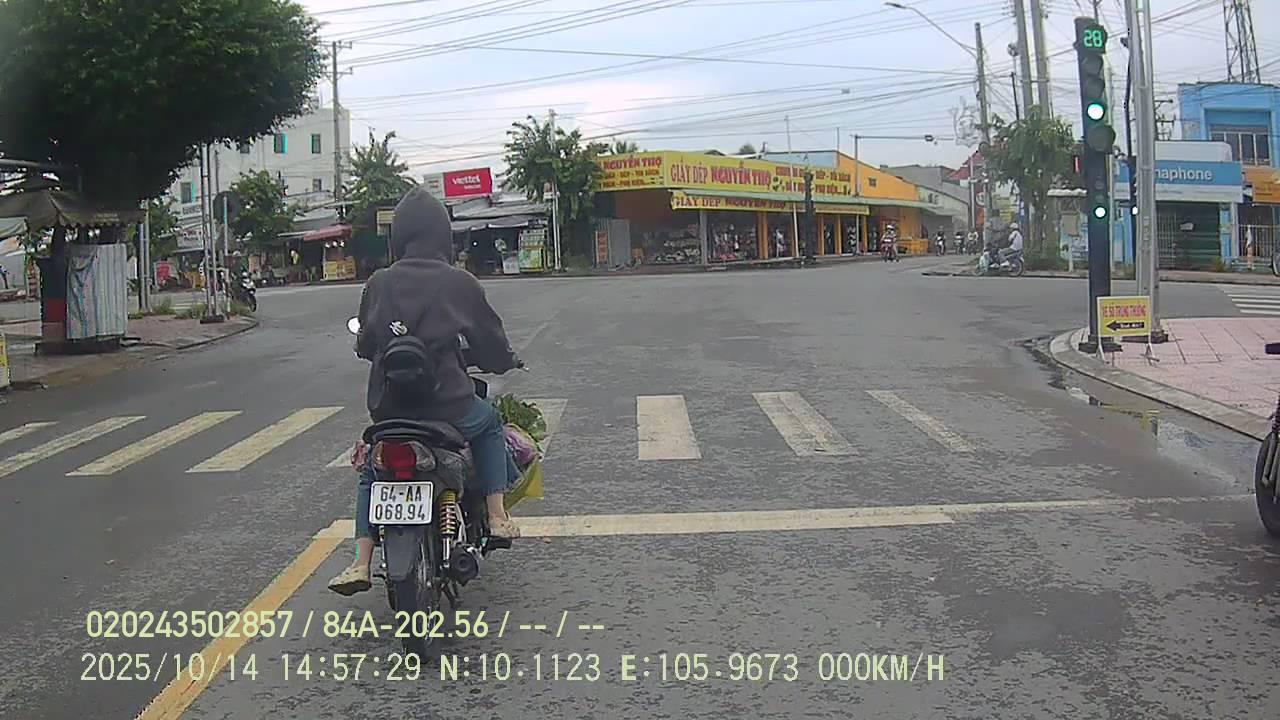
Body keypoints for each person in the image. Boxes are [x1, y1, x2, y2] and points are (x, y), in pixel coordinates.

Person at [328, 187, 522, 596]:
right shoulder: (459, 282)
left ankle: (360, 561)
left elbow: (365, 343)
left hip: (390, 410)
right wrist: (504, 361)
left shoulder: (379, 283)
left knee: (373, 470)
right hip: (450, 406)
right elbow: (490, 343)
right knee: (490, 424)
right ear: (442, 235)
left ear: (398, 236)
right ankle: (496, 515)